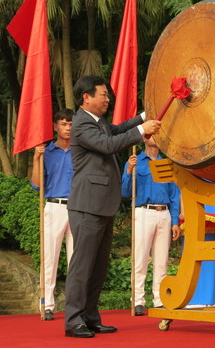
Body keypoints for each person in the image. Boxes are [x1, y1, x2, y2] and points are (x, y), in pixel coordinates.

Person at [64, 76, 161, 338]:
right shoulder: (81, 123)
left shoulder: (98, 122)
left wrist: (144, 117)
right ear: (86, 97)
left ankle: (90, 317)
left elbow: (116, 131)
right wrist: (141, 132)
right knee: (82, 266)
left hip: (103, 204)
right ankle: (73, 321)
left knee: (98, 267)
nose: (108, 99)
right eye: (103, 95)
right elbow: (108, 144)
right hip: (87, 205)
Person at [121, 136, 180, 316]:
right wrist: (129, 170)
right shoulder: (135, 161)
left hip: (164, 213)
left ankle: (159, 299)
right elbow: (125, 192)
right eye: (151, 134)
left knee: (162, 261)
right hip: (143, 211)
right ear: (144, 138)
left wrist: (175, 221)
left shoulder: (167, 163)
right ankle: (138, 300)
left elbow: (174, 195)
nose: (154, 138)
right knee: (140, 258)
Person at [30, 109, 74, 321]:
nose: (68, 128)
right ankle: (47, 303)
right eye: (63, 124)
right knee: (50, 257)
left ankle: (75, 304)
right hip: (54, 206)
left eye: (71, 124)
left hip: (77, 206)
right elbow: (37, 185)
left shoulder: (81, 151)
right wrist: (36, 158)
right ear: (55, 127)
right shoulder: (46, 152)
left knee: (76, 258)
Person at [186, 205, 215, 308]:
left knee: (212, 257)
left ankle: (212, 298)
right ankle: (193, 298)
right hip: (193, 210)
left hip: (213, 213)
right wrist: (183, 210)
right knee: (194, 256)